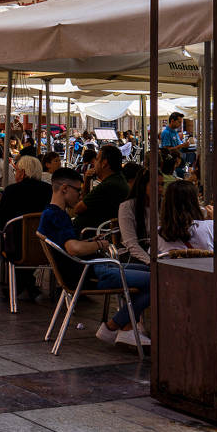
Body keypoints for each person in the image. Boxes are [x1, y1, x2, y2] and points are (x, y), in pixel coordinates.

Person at [39, 168, 151, 347]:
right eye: (78, 190)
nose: (81, 196)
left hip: (89, 269)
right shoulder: (57, 216)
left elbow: (69, 245)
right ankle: (115, 327)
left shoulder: (51, 214)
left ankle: (123, 327)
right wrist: (99, 245)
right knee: (157, 280)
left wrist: (89, 242)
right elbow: (73, 248)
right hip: (89, 274)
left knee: (150, 271)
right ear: (65, 189)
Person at [0, 155, 53, 303]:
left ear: (23, 172)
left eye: (16, 170)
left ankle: (21, 285)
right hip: (46, 247)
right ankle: (28, 285)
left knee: (7, 239)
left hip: (16, 248)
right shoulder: (49, 190)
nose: (15, 173)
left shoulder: (12, 191)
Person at [157, 180, 217, 260]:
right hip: (208, 279)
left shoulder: (159, 234)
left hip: (172, 279)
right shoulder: (210, 227)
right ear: (194, 202)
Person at [71, 144, 129, 235]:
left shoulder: (108, 186)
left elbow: (77, 209)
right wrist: (87, 180)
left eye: (97, 159)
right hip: (100, 231)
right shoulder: (118, 180)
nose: (94, 163)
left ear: (104, 163)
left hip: (91, 234)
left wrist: (86, 180)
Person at [118, 167, 154, 265]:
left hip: (157, 257)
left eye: (162, 185)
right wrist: (151, 263)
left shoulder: (162, 206)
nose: (160, 189)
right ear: (143, 186)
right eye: (155, 185)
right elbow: (131, 244)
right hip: (133, 259)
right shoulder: (127, 207)